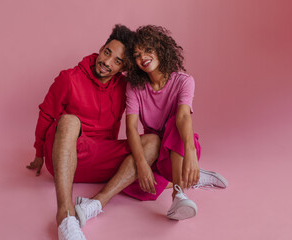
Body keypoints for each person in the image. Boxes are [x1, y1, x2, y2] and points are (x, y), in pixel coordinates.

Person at [27, 25, 162, 240]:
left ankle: (96, 203)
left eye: (118, 61)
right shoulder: (69, 78)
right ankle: (65, 215)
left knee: (154, 141)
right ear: (101, 48)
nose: (107, 62)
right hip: (65, 155)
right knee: (70, 121)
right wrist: (38, 154)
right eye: (107, 52)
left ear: (124, 67)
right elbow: (46, 114)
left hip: (101, 158)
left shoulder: (125, 87)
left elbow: (154, 102)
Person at [125, 25, 228, 220]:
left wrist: (190, 153)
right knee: (131, 183)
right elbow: (130, 127)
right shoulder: (134, 86)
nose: (143, 57)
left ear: (161, 49)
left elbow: (183, 117)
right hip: (158, 154)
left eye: (148, 49)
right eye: (137, 55)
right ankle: (189, 177)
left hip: (184, 146)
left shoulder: (184, 81)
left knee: (174, 123)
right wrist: (142, 163)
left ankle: (178, 194)